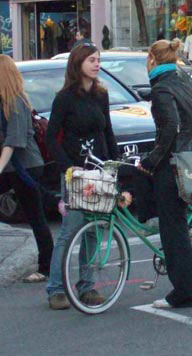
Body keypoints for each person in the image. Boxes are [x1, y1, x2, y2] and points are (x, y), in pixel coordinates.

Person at [46, 43, 119, 310]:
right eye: (91, 60)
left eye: (98, 59)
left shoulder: (101, 95)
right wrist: (68, 167)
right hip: (76, 173)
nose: (96, 64)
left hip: (99, 170)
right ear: (78, 64)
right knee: (70, 230)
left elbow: (108, 131)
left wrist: (114, 164)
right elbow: (51, 137)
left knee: (93, 232)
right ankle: (55, 289)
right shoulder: (64, 98)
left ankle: (86, 286)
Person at [137, 38, 192, 308]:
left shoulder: (162, 88)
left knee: (173, 229)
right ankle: (184, 287)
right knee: (175, 225)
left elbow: (170, 129)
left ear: (152, 59)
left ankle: (184, 292)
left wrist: (152, 160)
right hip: (187, 158)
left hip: (173, 164)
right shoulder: (181, 80)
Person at [0, 54, 54, 283]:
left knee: (36, 217)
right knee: (36, 213)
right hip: (14, 168)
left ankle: (46, 267)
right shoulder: (4, 103)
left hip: (26, 167)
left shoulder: (17, 103)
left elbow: (13, 141)